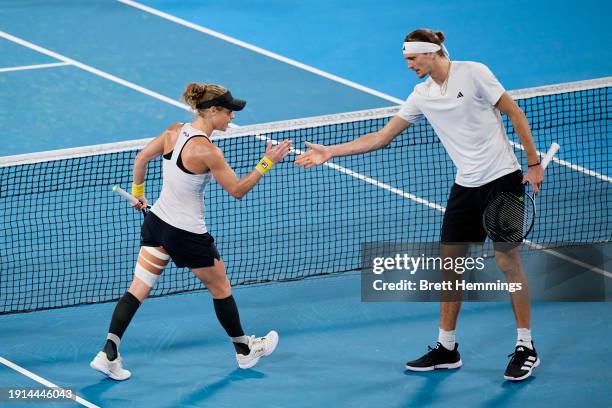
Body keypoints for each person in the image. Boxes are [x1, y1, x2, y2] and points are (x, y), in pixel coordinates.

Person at [295, 29, 544, 381]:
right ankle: (447, 347)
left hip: (502, 179)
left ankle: (525, 345)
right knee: (450, 265)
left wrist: (533, 163)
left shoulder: (473, 72)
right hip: (465, 187)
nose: (409, 65)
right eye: (406, 59)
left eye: (412, 58)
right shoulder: (421, 95)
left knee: (506, 259)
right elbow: (381, 137)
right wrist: (331, 151)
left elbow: (515, 114)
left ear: (431, 53)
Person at [91, 83, 292, 380]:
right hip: (186, 235)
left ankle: (108, 352)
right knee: (221, 288)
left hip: (156, 224)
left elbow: (141, 158)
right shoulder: (208, 151)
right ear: (212, 111)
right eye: (229, 112)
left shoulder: (174, 130)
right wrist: (267, 162)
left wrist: (138, 193)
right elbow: (237, 190)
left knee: (137, 289)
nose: (232, 118)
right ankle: (244, 350)